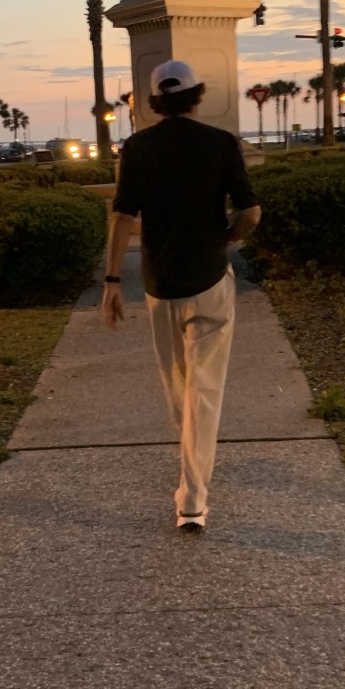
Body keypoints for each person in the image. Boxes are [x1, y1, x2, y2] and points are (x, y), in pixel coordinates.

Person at [102, 61, 261, 531]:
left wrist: (112, 281)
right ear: (196, 95)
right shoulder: (221, 143)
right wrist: (228, 237)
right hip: (209, 280)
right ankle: (193, 493)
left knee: (178, 386)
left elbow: (122, 216)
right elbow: (251, 213)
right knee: (202, 390)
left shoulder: (137, 148)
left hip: (160, 284)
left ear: (156, 102)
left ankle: (191, 485)